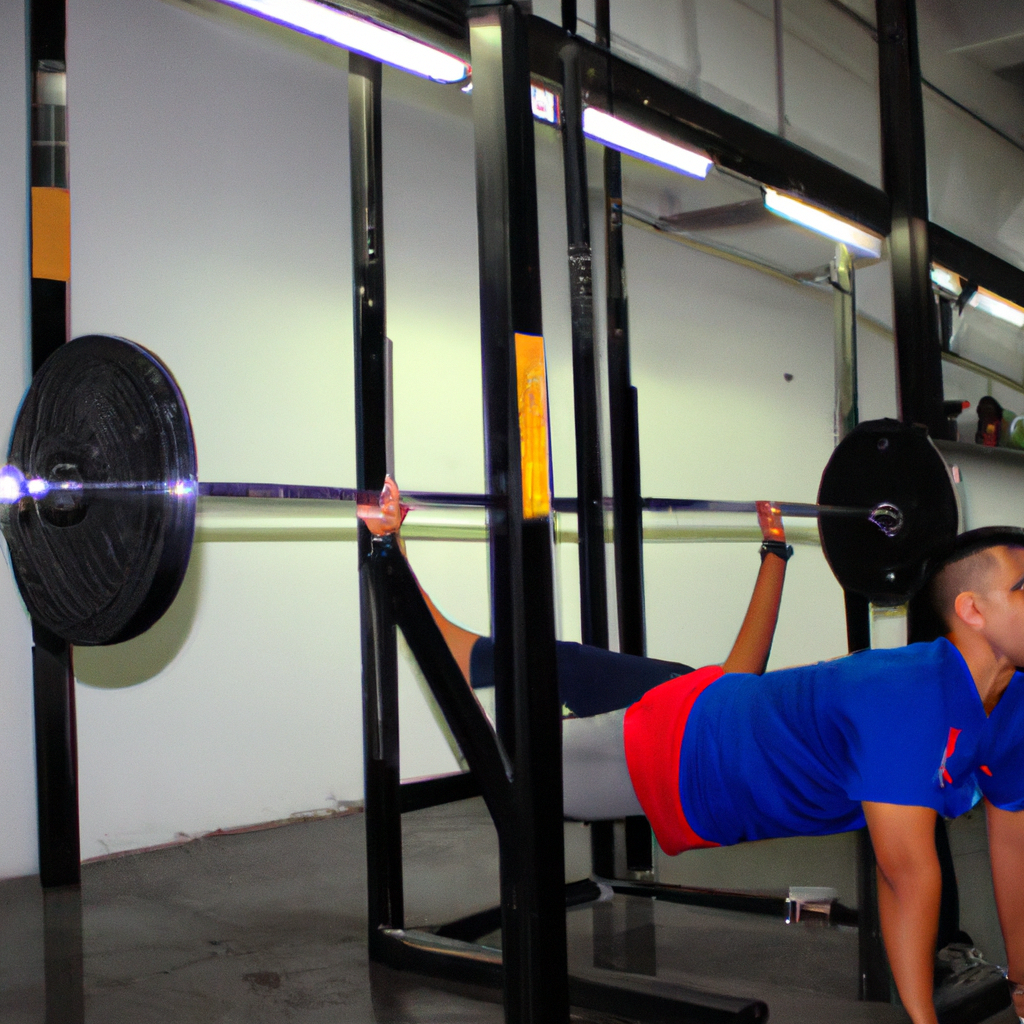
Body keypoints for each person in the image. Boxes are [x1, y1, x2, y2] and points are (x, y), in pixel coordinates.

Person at [359, 480, 1024, 1024]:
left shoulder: (1006, 703)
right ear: (971, 609)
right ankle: (390, 550)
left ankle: (402, 563)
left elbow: (1012, 845)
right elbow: (906, 875)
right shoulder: (905, 698)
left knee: (682, 681)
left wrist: (774, 552)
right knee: (514, 767)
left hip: (699, 700)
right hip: (677, 743)